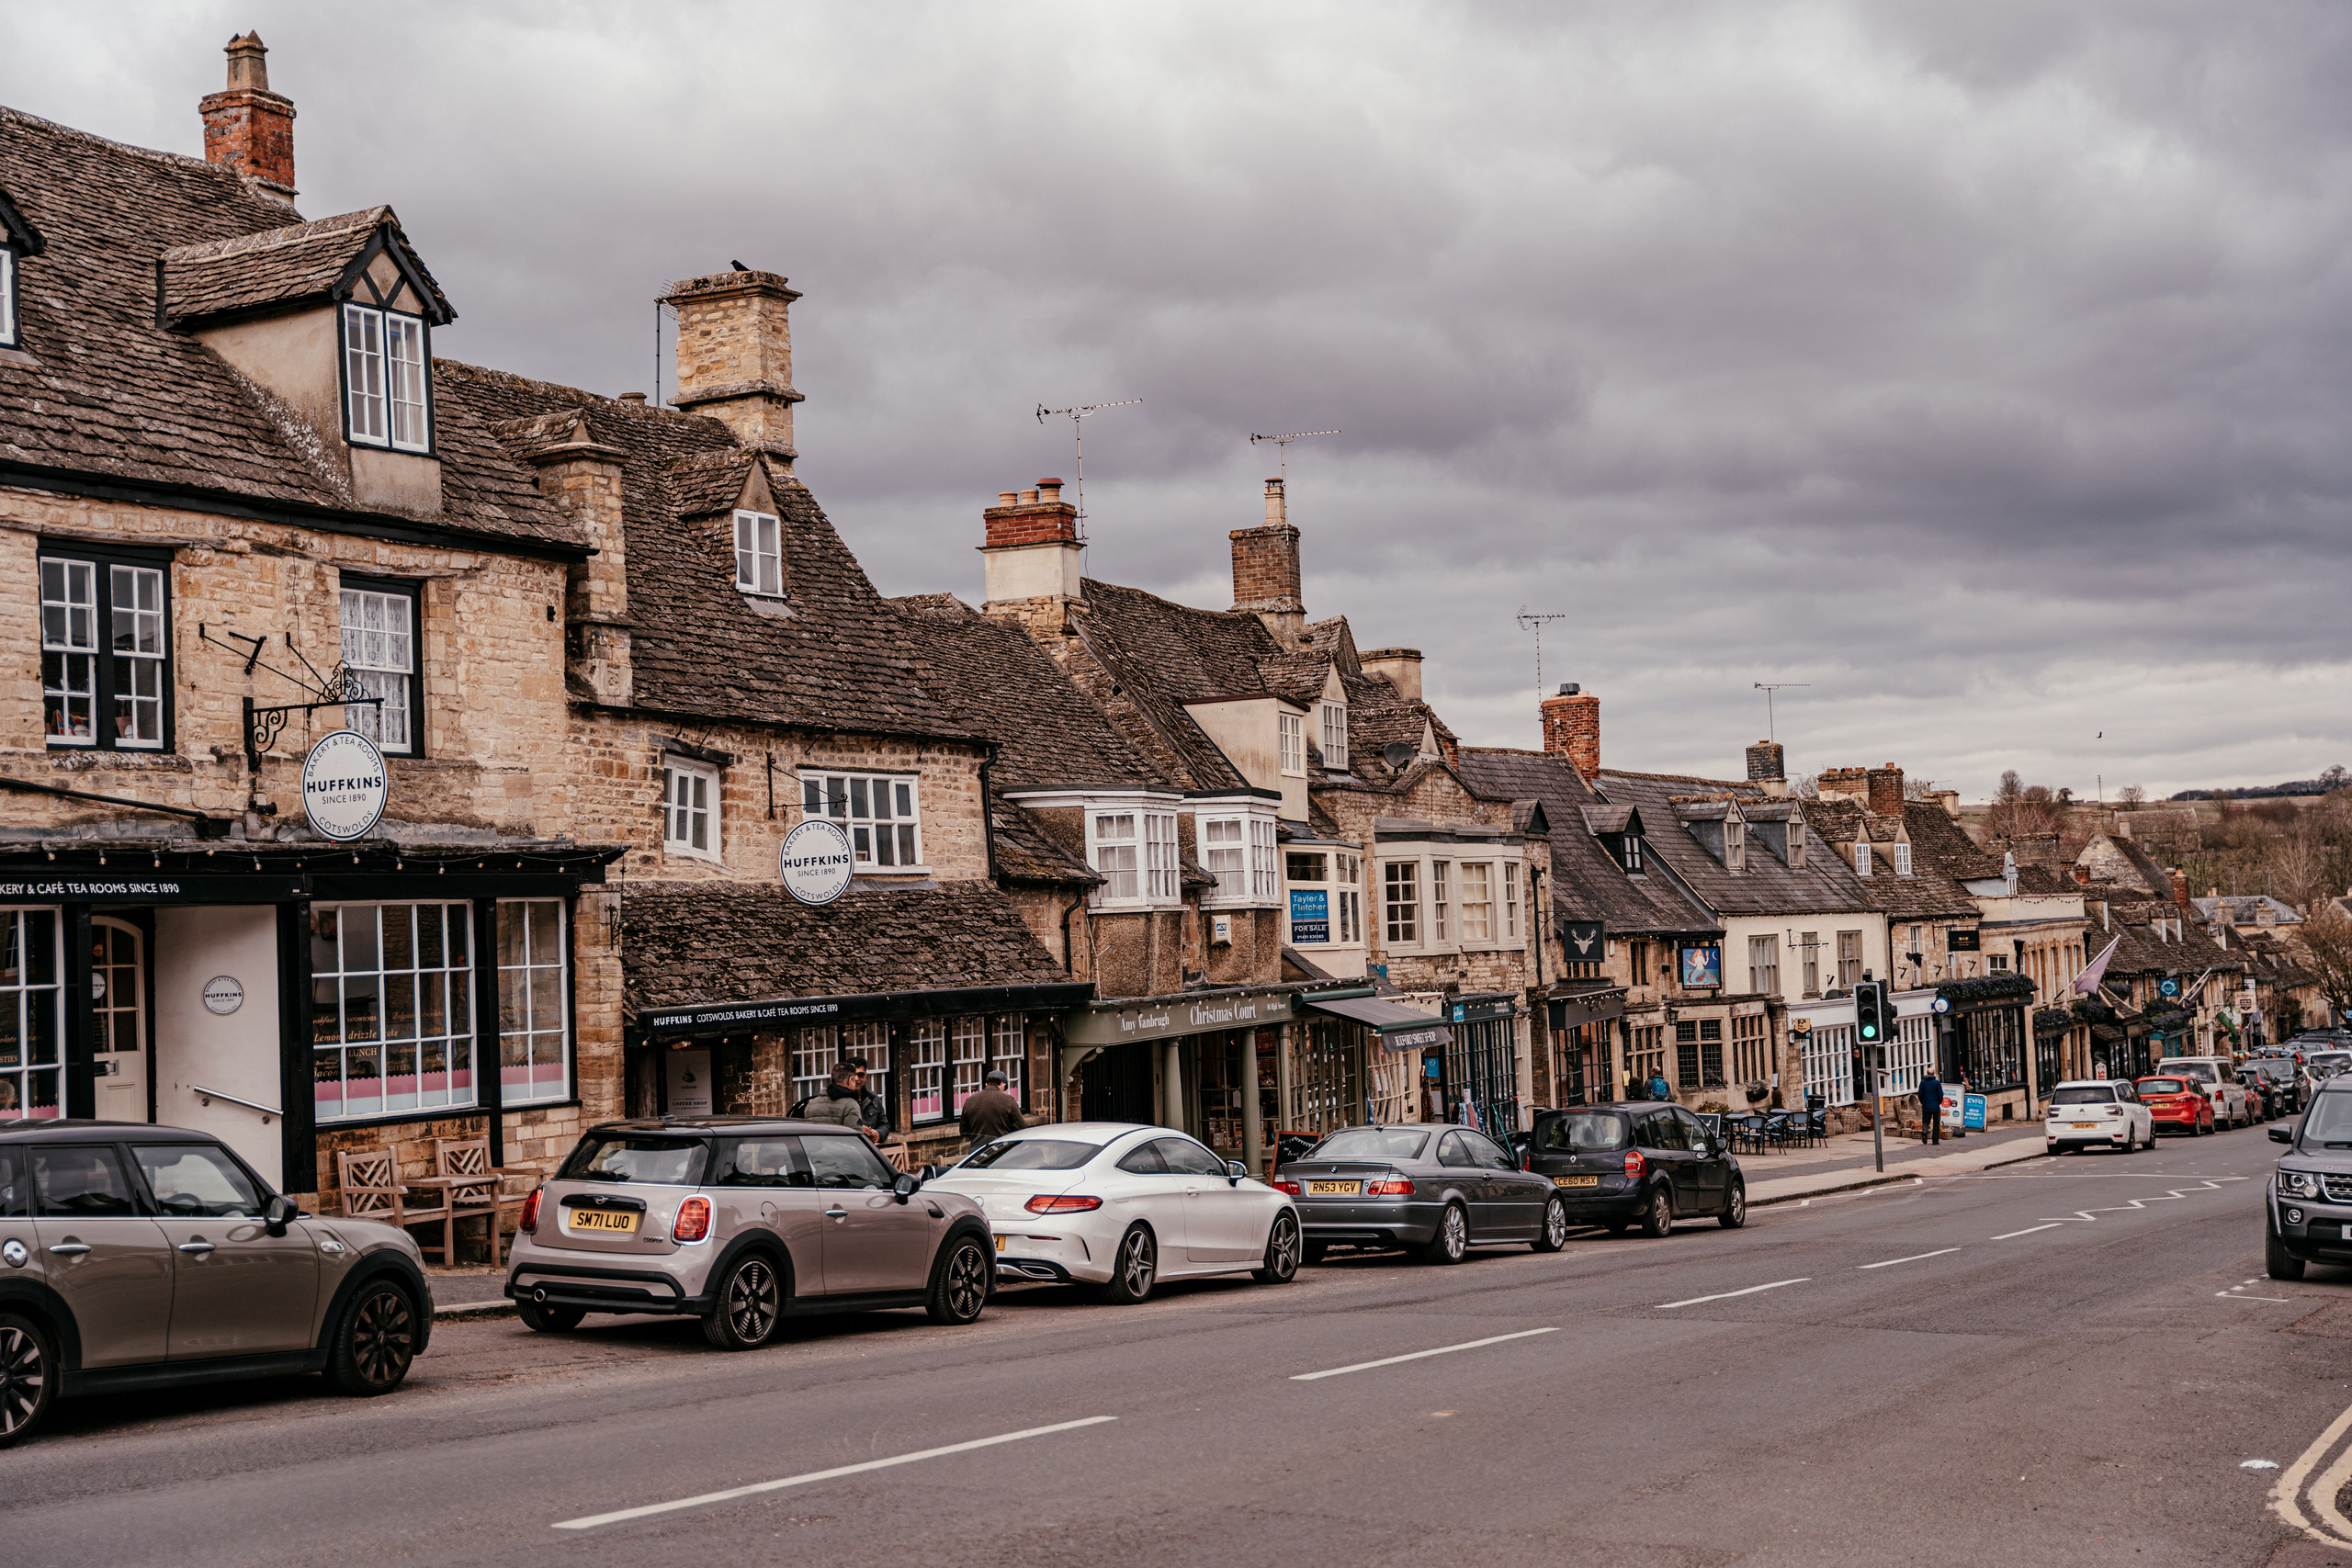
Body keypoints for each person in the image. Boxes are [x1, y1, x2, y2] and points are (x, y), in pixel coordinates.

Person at [800, 1060, 879, 1143]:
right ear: (850, 1080)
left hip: (815, 1154)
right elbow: (855, 1142)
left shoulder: (811, 1104)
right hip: (840, 1154)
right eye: (854, 1079)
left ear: (831, 1080)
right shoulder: (851, 1105)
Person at [960, 1068, 1026, 1144]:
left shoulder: (969, 1101)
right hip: (1001, 1149)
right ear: (1003, 1084)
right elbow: (1021, 1127)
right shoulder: (1009, 1100)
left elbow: (963, 1131)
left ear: (986, 1084)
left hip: (977, 1150)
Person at [1917, 1068, 1944, 1145]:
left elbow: (1920, 1094)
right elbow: (1940, 1095)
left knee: (1925, 1121)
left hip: (1926, 1105)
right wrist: (1939, 1102)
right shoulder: (1937, 1083)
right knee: (1936, 1123)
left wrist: (1923, 1102)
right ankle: (1935, 1140)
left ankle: (1925, 1131)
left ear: (1926, 1073)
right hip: (1935, 1106)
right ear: (1934, 1074)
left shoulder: (1923, 1082)